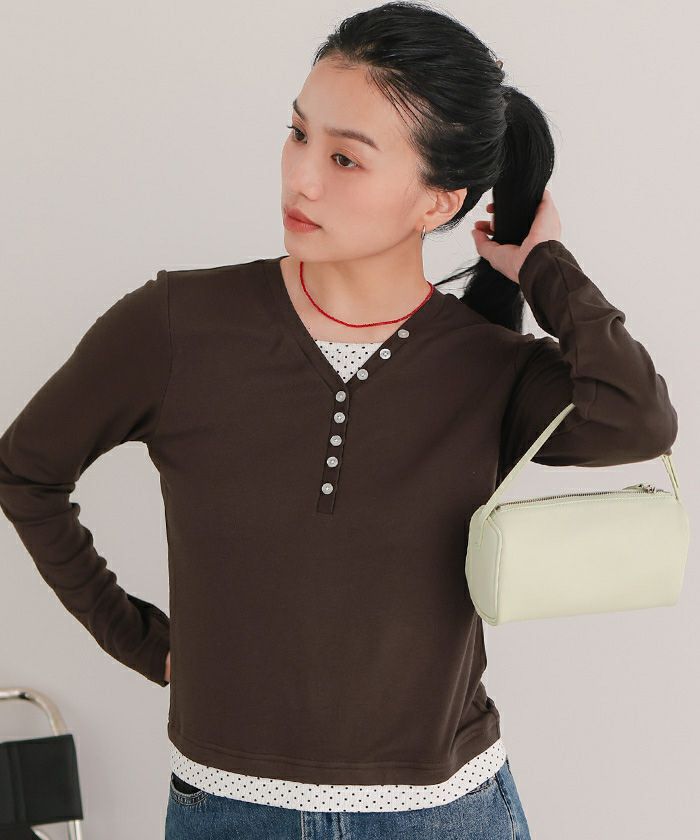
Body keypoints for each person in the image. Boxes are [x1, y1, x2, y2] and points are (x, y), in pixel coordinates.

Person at [0, 2, 677, 839]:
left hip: (448, 812)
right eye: (297, 134)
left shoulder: (492, 366)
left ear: (438, 202)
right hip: (229, 810)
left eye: (345, 158)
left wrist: (544, 267)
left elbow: (636, 420)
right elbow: (26, 471)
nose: (302, 178)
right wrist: (142, 641)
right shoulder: (175, 326)